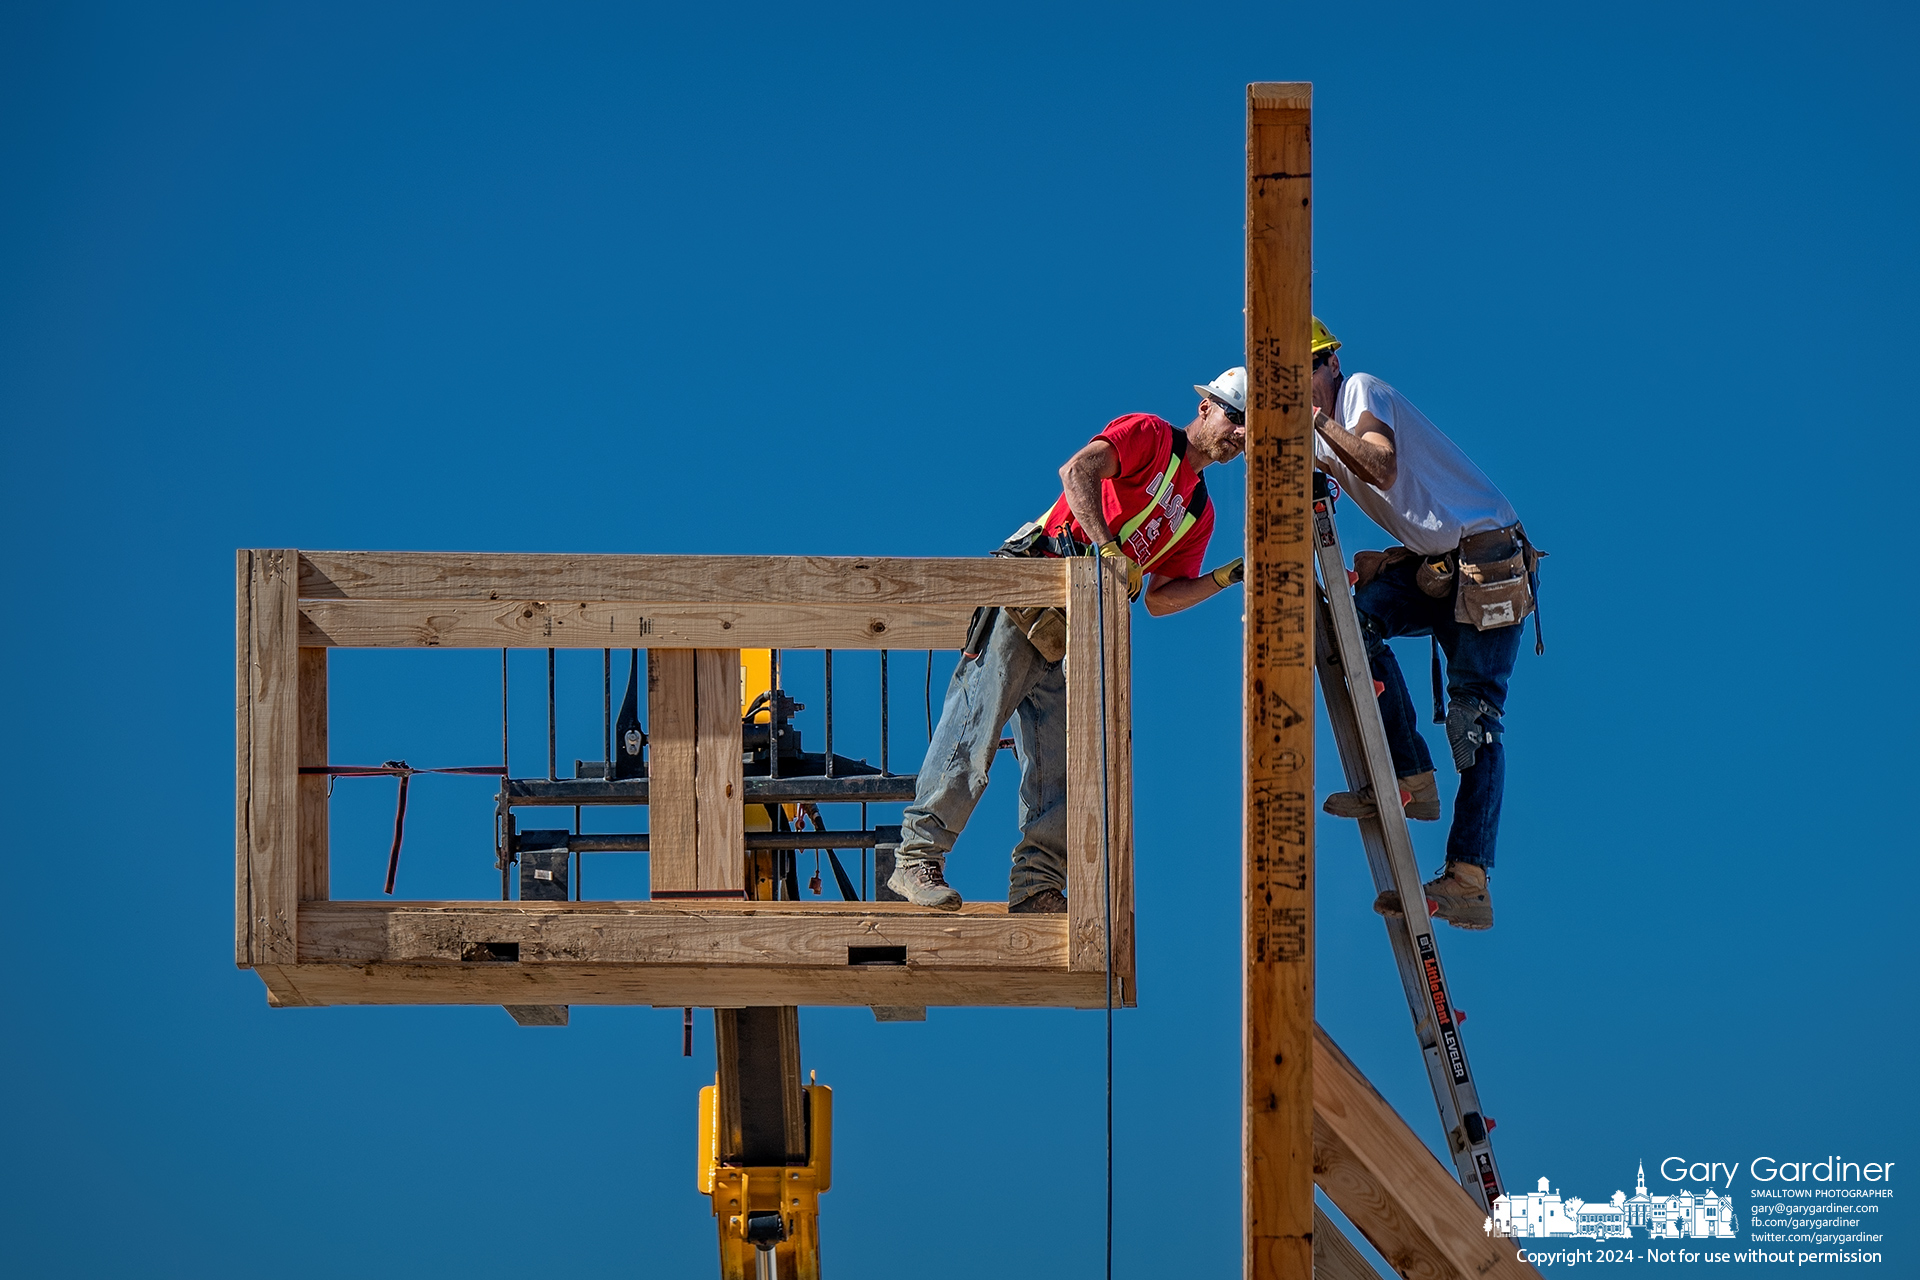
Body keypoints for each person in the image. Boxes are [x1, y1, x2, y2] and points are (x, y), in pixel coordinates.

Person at [887, 370, 1251, 912]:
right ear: (1206, 408)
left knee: (1060, 766)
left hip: (1076, 630)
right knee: (973, 729)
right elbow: (1076, 470)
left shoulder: (1199, 512)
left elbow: (1158, 597)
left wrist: (1223, 579)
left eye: (1251, 431)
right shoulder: (1151, 435)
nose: (1241, 436)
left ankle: (1036, 886)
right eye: (1237, 419)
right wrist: (1107, 549)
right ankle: (917, 858)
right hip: (1032, 590)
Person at [1309, 317, 1541, 930]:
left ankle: (1469, 877)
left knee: (1475, 719)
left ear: (1330, 363)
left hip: (1487, 562)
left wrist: (1312, 424)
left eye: (1306, 369)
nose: (1302, 385)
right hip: (1439, 565)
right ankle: (1410, 773)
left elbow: (1380, 466)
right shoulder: (1321, 435)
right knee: (1352, 623)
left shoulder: (1359, 390)